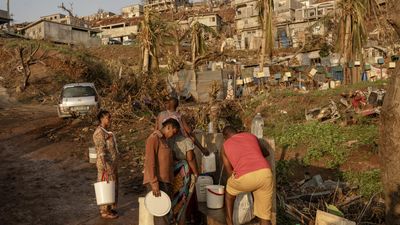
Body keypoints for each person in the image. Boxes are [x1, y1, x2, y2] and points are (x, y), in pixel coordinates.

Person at [221, 126, 273, 225]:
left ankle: (229, 222)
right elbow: (266, 152)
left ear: (225, 137)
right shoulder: (251, 136)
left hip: (245, 177)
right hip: (265, 173)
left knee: (229, 191)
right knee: (264, 217)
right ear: (237, 131)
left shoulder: (224, 146)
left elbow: (229, 172)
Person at [143, 118, 181, 225]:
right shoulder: (154, 139)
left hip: (165, 181)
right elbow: (150, 162)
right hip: (157, 182)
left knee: (166, 213)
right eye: (173, 132)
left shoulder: (164, 140)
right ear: (168, 127)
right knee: (160, 213)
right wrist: (154, 184)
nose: (173, 135)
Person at [93, 110, 119, 219]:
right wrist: (105, 168)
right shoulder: (99, 133)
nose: (110, 120)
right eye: (108, 118)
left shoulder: (106, 131)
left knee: (112, 186)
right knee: (106, 185)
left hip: (111, 164)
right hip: (106, 165)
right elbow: (101, 151)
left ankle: (109, 208)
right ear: (102, 119)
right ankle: (104, 210)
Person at [168, 134, 200, 225]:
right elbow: (190, 159)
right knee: (183, 198)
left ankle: (173, 219)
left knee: (174, 196)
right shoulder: (187, 141)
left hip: (173, 170)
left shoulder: (169, 139)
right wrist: (196, 173)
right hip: (183, 170)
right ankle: (180, 220)